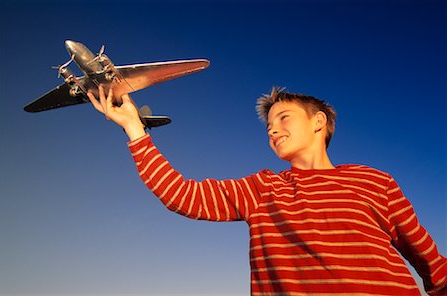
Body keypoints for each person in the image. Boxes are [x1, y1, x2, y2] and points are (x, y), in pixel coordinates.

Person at [88, 85, 446, 295]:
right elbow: (183, 195)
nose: (272, 130)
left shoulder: (375, 181)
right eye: (268, 126)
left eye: (283, 118)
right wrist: (135, 129)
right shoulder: (263, 188)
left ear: (318, 121)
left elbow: (431, 263)